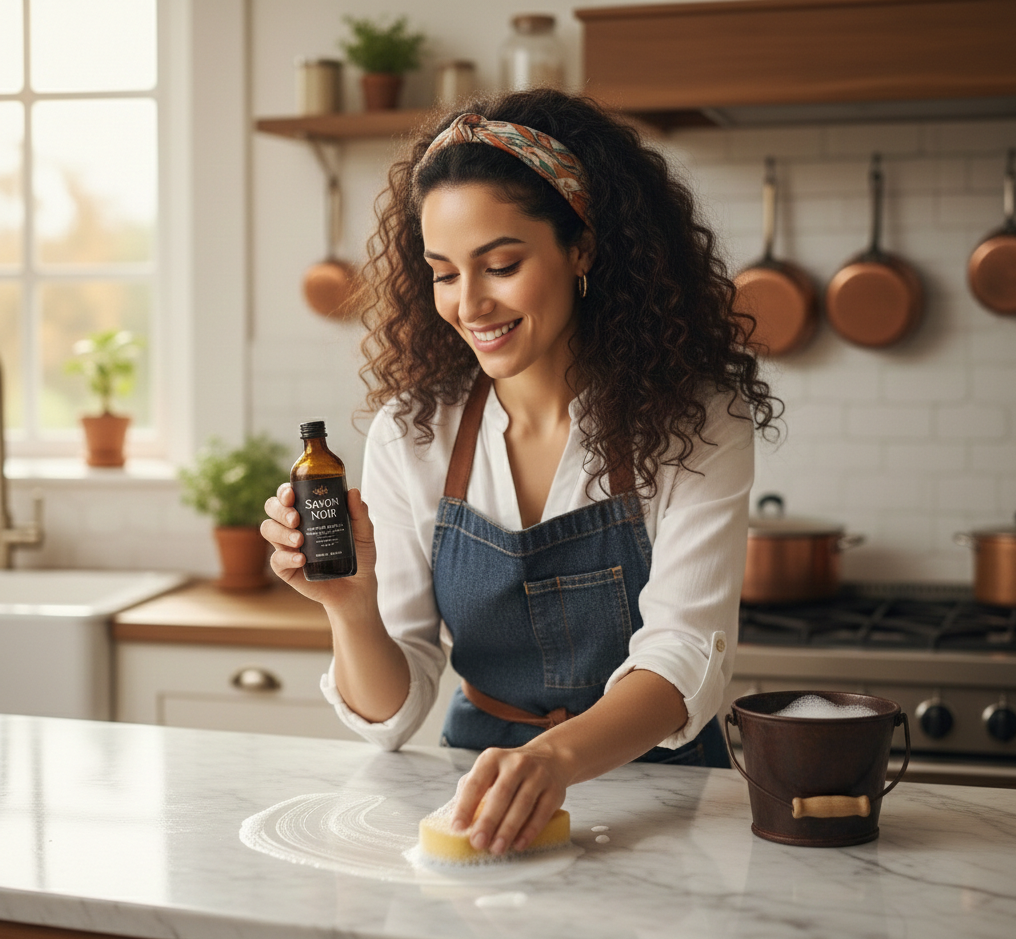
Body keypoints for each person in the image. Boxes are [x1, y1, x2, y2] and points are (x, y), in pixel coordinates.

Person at [262, 89, 777, 861]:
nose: (470, 304)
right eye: (442, 273)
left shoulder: (697, 419)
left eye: (501, 265)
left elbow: (681, 658)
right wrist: (350, 604)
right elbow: (393, 714)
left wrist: (552, 760)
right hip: (474, 791)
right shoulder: (414, 432)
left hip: (662, 804)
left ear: (583, 248)